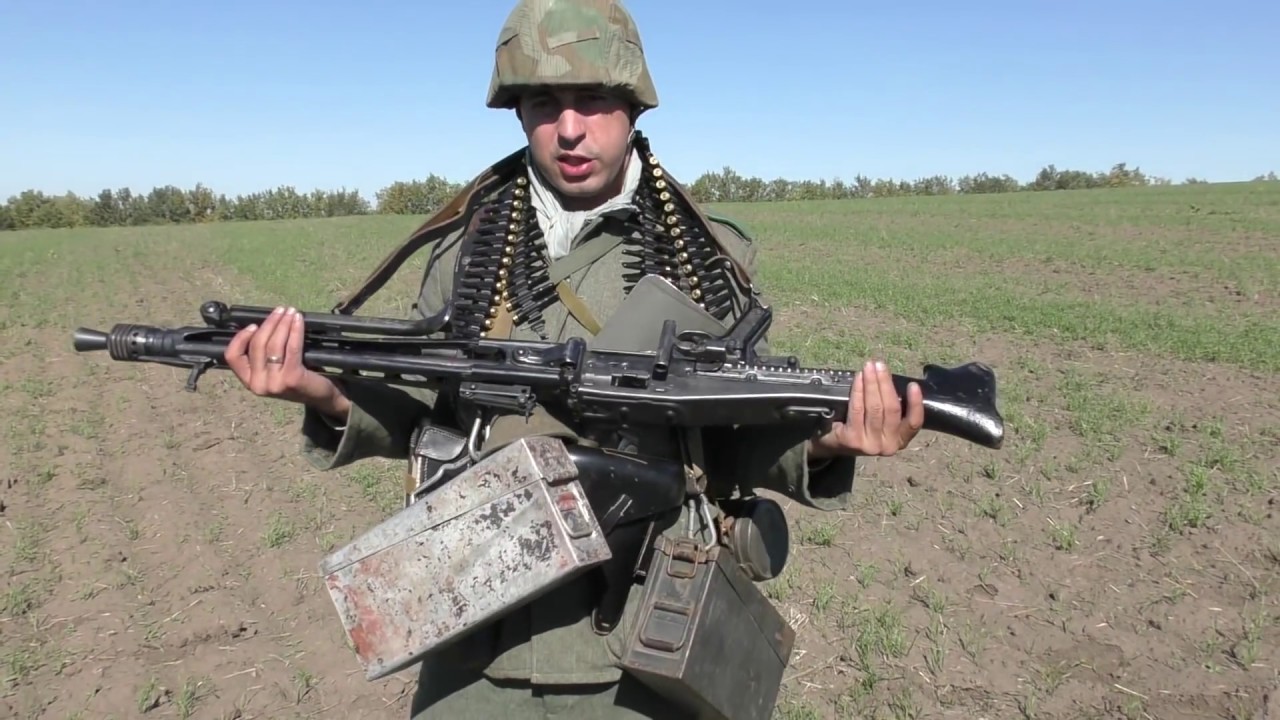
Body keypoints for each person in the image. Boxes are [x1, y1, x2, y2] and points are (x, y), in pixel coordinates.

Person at [222, 0, 925, 717]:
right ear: (518, 114)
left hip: (647, 640)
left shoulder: (709, 257)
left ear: (634, 106)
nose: (568, 128)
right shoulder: (465, 249)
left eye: (592, 99)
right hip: (475, 629)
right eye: (542, 103)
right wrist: (325, 393)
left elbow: (737, 433)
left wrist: (828, 443)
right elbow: (422, 415)